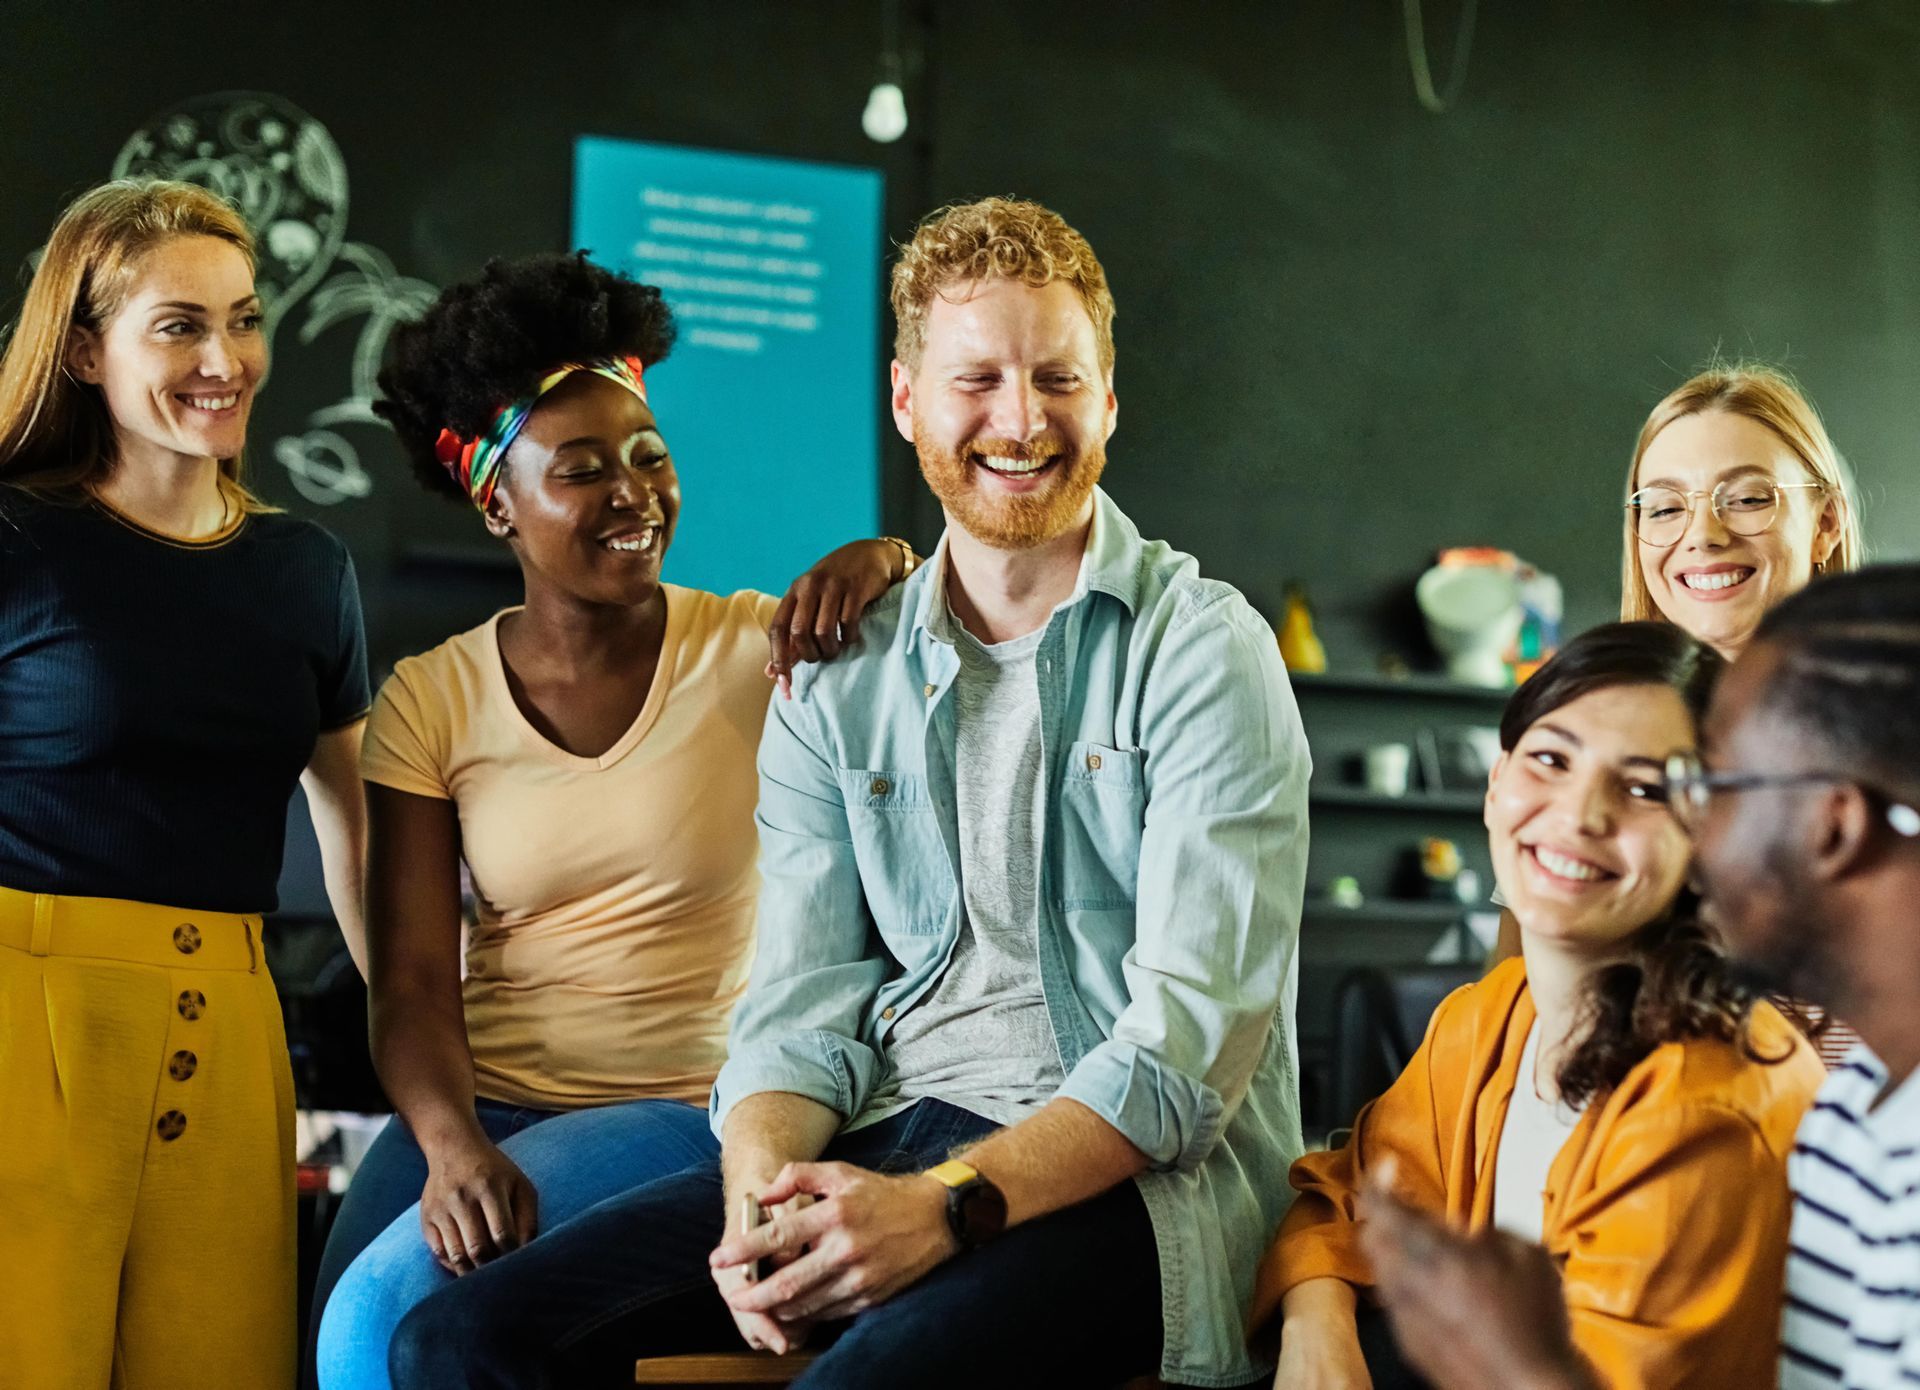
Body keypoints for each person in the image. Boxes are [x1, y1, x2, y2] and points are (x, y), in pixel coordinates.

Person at [383, 195, 1311, 1390]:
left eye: (1058, 379)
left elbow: (1183, 1058)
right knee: (457, 1344)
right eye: (976, 379)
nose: (1021, 419)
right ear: (907, 400)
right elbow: (801, 1005)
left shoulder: (1204, 650)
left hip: (1129, 1185)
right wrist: (757, 1199)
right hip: (887, 1129)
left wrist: (941, 1207)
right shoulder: (837, 672)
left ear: (1110, 400)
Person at [308, 252, 918, 1390]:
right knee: (332, 1343)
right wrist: (450, 1150)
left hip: (684, 1108)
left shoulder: (757, 650)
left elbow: (941, 637)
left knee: (375, 1333)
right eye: (581, 470)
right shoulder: (432, 699)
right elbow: (412, 987)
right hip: (483, 1099)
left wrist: (889, 558)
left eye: (649, 457)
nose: (632, 491)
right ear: (500, 502)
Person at [1356, 565, 1920, 1390]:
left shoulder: (1733, 1100)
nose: (1700, 832)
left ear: (1832, 827)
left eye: (1710, 789)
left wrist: (1517, 1360)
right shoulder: (1852, 1117)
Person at [0, 179, 369, 1387]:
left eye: (245, 319)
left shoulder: (306, 570)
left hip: (234, 1031)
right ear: (83, 348)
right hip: (24, 1019)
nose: (227, 359)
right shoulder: (14, 540)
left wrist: (440, 1068)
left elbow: (358, 840)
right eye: (180, 326)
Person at [1255, 621, 1824, 1388]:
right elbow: (1344, 1192)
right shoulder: (1491, 1015)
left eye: (1645, 787)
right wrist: (1316, 1327)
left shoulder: (1707, 1108)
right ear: (1496, 786)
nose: (1579, 814)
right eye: (1551, 759)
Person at [1487, 364, 1864, 1025]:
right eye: (1664, 507)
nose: (1703, 535)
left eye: (1748, 499)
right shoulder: (1583, 734)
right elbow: (1512, 1016)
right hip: (1618, 1120)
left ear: (1826, 520)